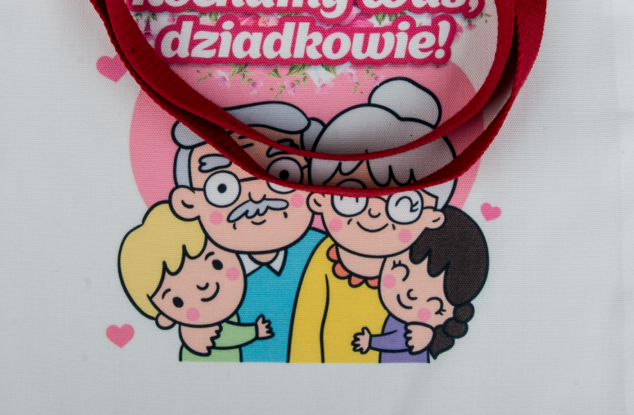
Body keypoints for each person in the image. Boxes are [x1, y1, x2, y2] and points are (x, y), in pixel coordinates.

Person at [288, 79, 457, 363]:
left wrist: (426, 335)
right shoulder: (322, 259)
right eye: (351, 196)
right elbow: (307, 323)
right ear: (319, 200)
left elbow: (425, 328)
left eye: (403, 205)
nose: (375, 212)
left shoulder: (417, 270)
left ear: (432, 216)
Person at [169, 102, 324, 362]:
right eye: (222, 187)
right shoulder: (203, 276)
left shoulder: (326, 257)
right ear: (189, 202)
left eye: (283, 173)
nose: (256, 194)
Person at [118, 202, 272, 362]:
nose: (204, 285)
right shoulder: (196, 332)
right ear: (164, 318)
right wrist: (255, 331)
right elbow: (225, 336)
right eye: (178, 301)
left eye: (216, 264)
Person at [352, 206, 489, 362]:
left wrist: (371, 341)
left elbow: (398, 341)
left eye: (432, 300)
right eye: (399, 269)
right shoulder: (398, 317)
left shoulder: (420, 330)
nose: (410, 294)